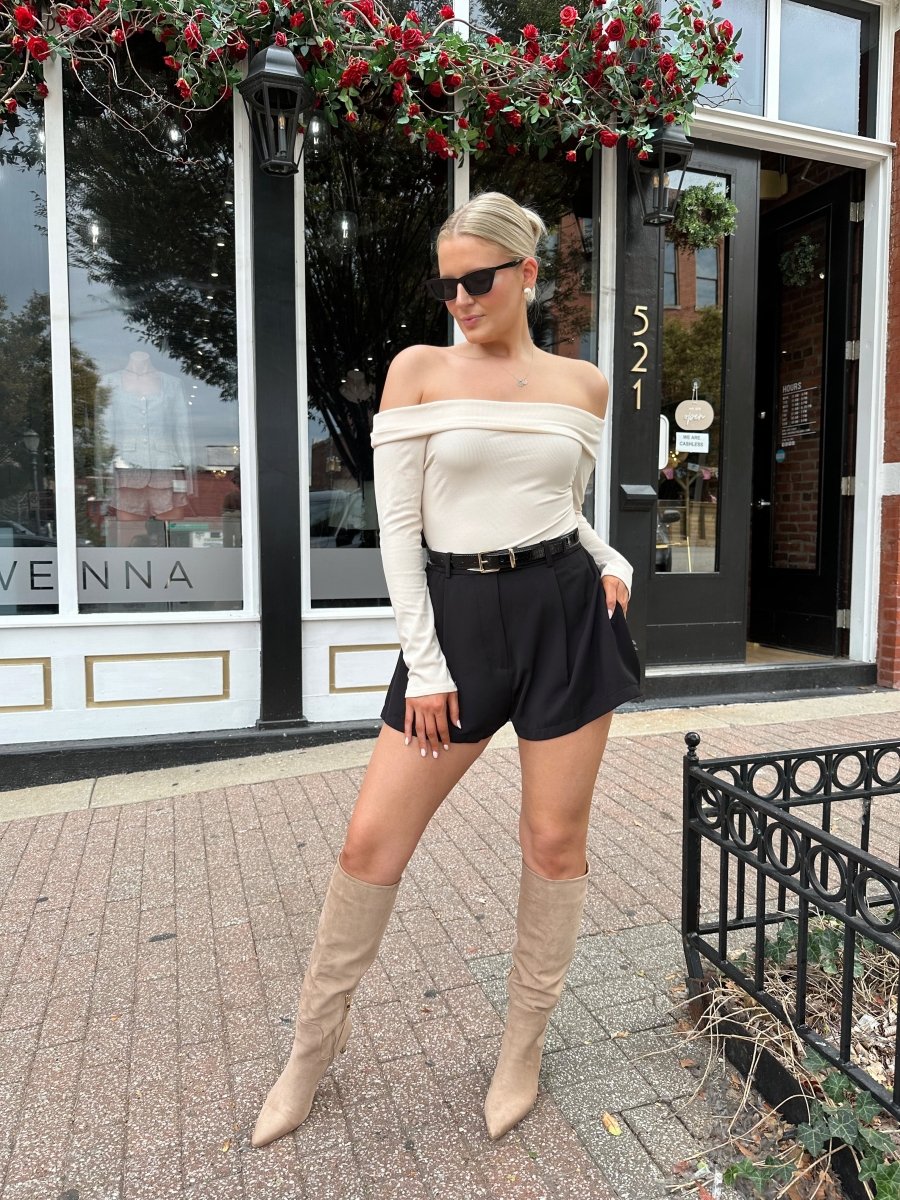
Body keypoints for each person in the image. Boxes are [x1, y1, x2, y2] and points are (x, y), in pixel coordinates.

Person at [252, 191, 641, 1149]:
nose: (460, 299)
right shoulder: (419, 371)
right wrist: (424, 664)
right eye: (447, 286)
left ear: (528, 274)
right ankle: (310, 1050)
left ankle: (522, 1047)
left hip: (565, 615)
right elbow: (399, 529)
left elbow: (561, 506)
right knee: (369, 845)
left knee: (554, 842)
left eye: (479, 280)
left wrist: (612, 558)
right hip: (454, 623)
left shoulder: (585, 385)